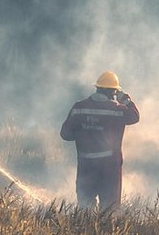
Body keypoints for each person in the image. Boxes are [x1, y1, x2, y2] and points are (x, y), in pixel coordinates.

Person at [60, 70, 140, 209]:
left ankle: (84, 230)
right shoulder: (117, 110)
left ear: (97, 88)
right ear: (113, 93)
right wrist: (126, 100)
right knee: (109, 211)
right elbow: (134, 116)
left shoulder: (79, 107)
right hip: (109, 170)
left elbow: (65, 134)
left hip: (85, 167)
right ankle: (106, 230)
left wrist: (83, 133)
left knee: (85, 210)